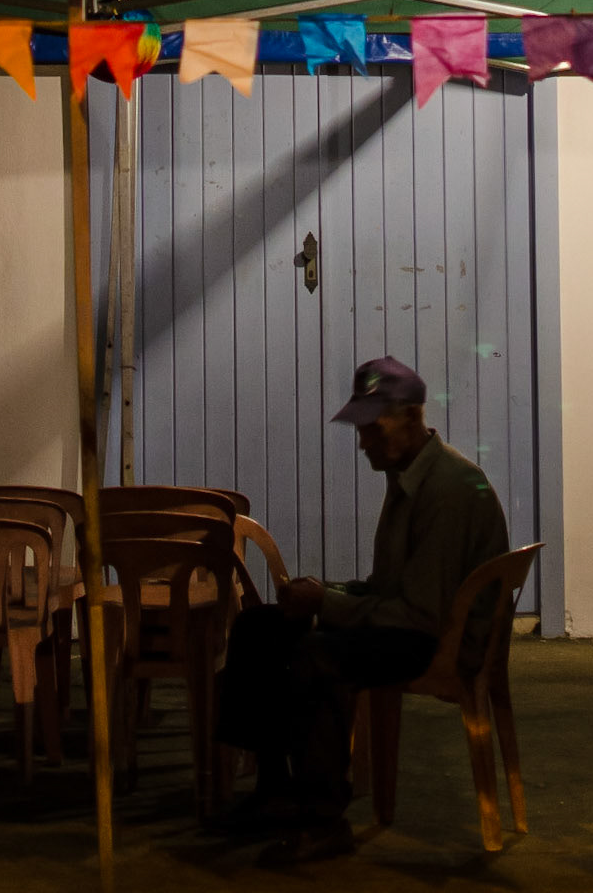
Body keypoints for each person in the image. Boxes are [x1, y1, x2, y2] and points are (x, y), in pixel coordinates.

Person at [214, 355, 509, 860]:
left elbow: (419, 617)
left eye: (374, 428)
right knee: (259, 628)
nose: (364, 441)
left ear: (412, 418)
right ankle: (274, 789)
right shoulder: (410, 476)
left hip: (441, 642)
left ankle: (323, 819)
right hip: (416, 621)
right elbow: (387, 588)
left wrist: (324, 604)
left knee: (317, 657)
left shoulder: (447, 490)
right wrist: (326, 592)